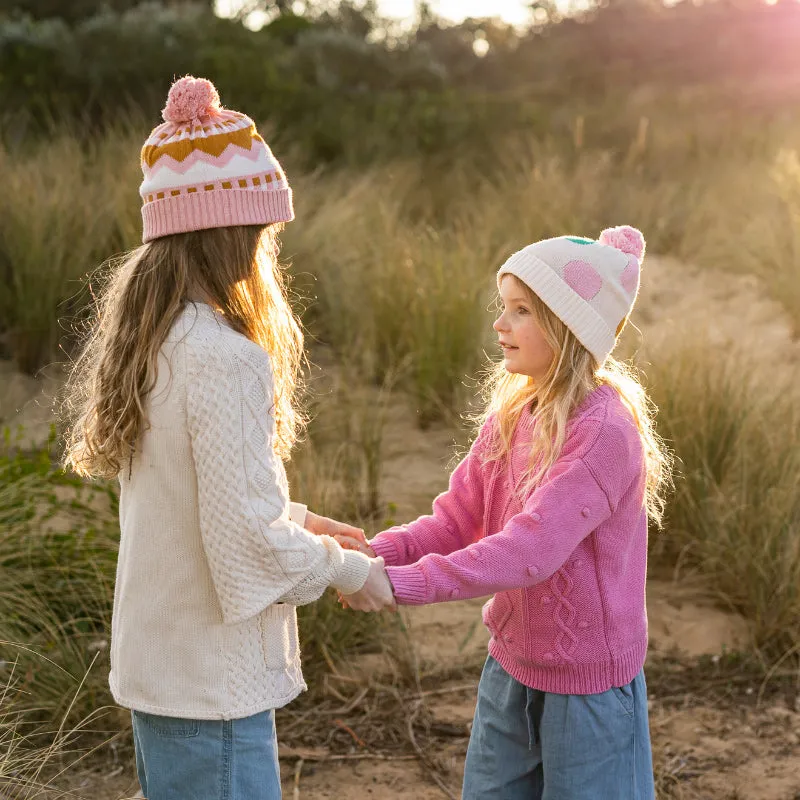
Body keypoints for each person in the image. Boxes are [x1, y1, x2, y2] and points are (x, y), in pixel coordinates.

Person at [61, 75, 393, 800]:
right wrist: (349, 570)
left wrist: (301, 522)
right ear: (234, 234)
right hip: (211, 689)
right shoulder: (226, 357)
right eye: (263, 231)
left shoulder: (160, 342)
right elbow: (243, 544)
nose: (266, 249)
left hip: (164, 675)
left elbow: (196, 498)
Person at [338, 227, 672, 799]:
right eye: (503, 308)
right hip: (511, 669)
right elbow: (454, 519)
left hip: (587, 689)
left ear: (568, 326)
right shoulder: (515, 414)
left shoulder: (605, 434)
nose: (500, 324)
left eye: (521, 311)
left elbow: (529, 551)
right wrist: (373, 553)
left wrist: (396, 587)